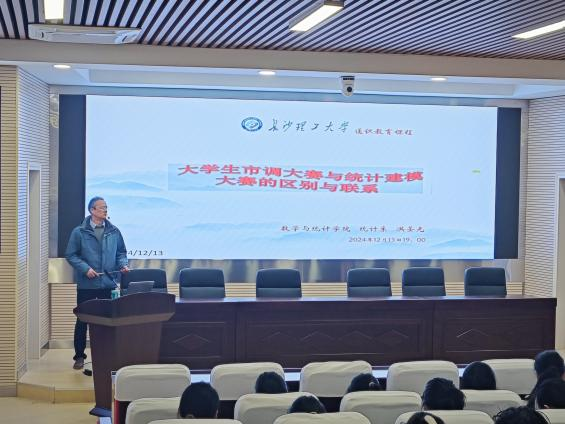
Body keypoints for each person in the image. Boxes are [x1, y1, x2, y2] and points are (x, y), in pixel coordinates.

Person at [65, 196, 129, 370]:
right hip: (87, 285)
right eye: (101, 207)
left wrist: (123, 264)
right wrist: (85, 268)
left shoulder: (114, 231)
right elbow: (71, 255)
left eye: (106, 207)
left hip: (108, 284)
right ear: (92, 210)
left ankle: (108, 355)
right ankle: (79, 356)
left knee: (108, 320)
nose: (105, 210)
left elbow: (121, 253)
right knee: (82, 320)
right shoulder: (79, 232)